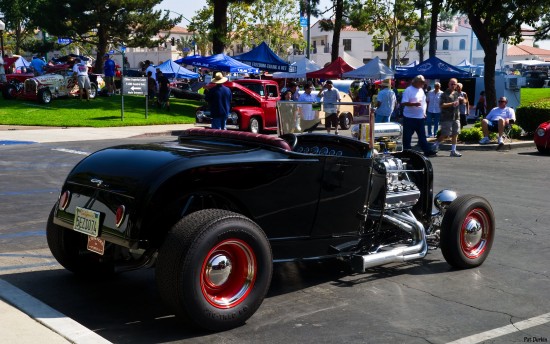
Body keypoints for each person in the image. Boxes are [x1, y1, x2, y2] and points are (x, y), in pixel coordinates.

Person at [401, 75, 437, 157]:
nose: (423, 84)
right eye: (422, 82)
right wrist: (414, 104)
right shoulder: (408, 90)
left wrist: (424, 112)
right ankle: (407, 151)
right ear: (416, 82)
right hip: (409, 117)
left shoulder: (421, 90)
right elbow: (403, 102)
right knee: (407, 136)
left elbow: (424, 102)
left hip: (419, 117)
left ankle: (426, 150)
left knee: (422, 135)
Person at [432, 78, 462, 157]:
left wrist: (462, 100)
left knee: (455, 134)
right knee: (445, 134)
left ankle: (453, 150)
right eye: (451, 84)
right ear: (448, 84)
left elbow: (464, 101)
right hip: (446, 117)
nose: (453, 86)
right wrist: (452, 103)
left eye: (454, 84)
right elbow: (442, 105)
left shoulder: (457, 93)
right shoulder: (444, 94)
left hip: (456, 116)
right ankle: (436, 144)